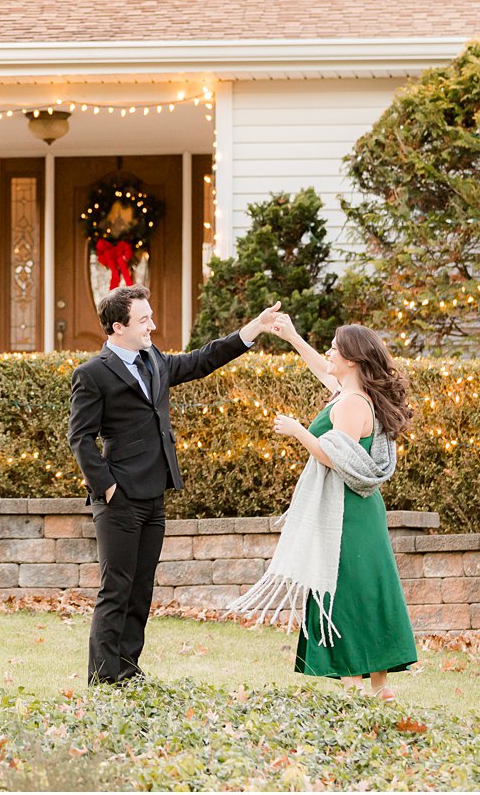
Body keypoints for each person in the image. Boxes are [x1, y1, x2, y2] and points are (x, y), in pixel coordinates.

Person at [68, 284, 280, 685]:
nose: (153, 325)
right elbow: (80, 438)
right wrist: (107, 487)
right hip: (119, 499)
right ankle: (103, 677)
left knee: (141, 590)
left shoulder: (154, 360)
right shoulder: (92, 374)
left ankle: (128, 671)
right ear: (118, 327)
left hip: (155, 493)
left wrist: (252, 329)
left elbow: (203, 360)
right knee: (116, 588)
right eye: (144, 319)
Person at [233, 317, 418, 700]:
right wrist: (293, 337)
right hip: (358, 510)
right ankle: (380, 686)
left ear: (352, 360)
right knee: (366, 589)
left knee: (347, 591)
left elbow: (340, 459)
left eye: (335, 347)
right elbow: (322, 368)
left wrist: (298, 431)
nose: (329, 353)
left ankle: (356, 684)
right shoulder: (350, 393)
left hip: (347, 513)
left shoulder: (351, 404)